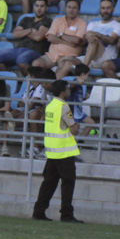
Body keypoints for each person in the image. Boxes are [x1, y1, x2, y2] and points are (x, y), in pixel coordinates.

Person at [31, 79, 83, 223]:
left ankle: (38, 211)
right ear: (62, 91)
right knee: (68, 183)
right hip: (64, 151)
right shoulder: (63, 107)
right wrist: (76, 126)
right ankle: (66, 214)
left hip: (52, 150)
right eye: (67, 89)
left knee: (49, 183)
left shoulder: (51, 105)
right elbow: (73, 129)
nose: (69, 91)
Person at [0, 0, 51, 75]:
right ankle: (10, 80)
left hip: (36, 51)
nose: (39, 8)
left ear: (47, 8)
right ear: (34, 7)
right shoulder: (26, 19)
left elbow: (38, 37)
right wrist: (30, 30)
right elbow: (15, 34)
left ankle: (31, 84)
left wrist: (23, 33)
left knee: (21, 59)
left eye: (42, 6)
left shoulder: (48, 21)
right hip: (20, 49)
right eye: (37, 6)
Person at [33, 0, 86, 78]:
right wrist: (67, 42)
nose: (71, 10)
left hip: (68, 55)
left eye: (74, 8)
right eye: (69, 7)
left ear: (78, 10)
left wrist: (61, 34)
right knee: (36, 64)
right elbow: (50, 37)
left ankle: (53, 87)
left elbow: (76, 40)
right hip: (52, 55)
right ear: (65, 8)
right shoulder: (57, 20)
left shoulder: (82, 24)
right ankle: (38, 88)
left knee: (63, 65)